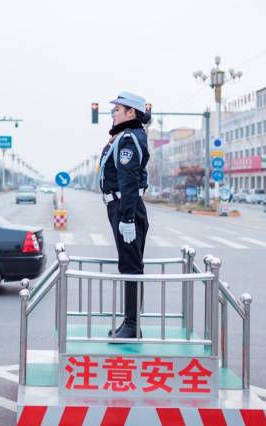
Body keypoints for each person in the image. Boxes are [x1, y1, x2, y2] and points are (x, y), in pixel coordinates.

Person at [98, 92, 151, 339]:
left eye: (117, 110)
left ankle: (131, 325)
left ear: (131, 112)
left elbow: (128, 181)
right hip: (120, 206)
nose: (113, 114)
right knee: (129, 265)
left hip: (125, 207)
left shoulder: (129, 139)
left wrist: (127, 219)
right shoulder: (124, 136)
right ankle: (130, 323)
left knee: (131, 267)